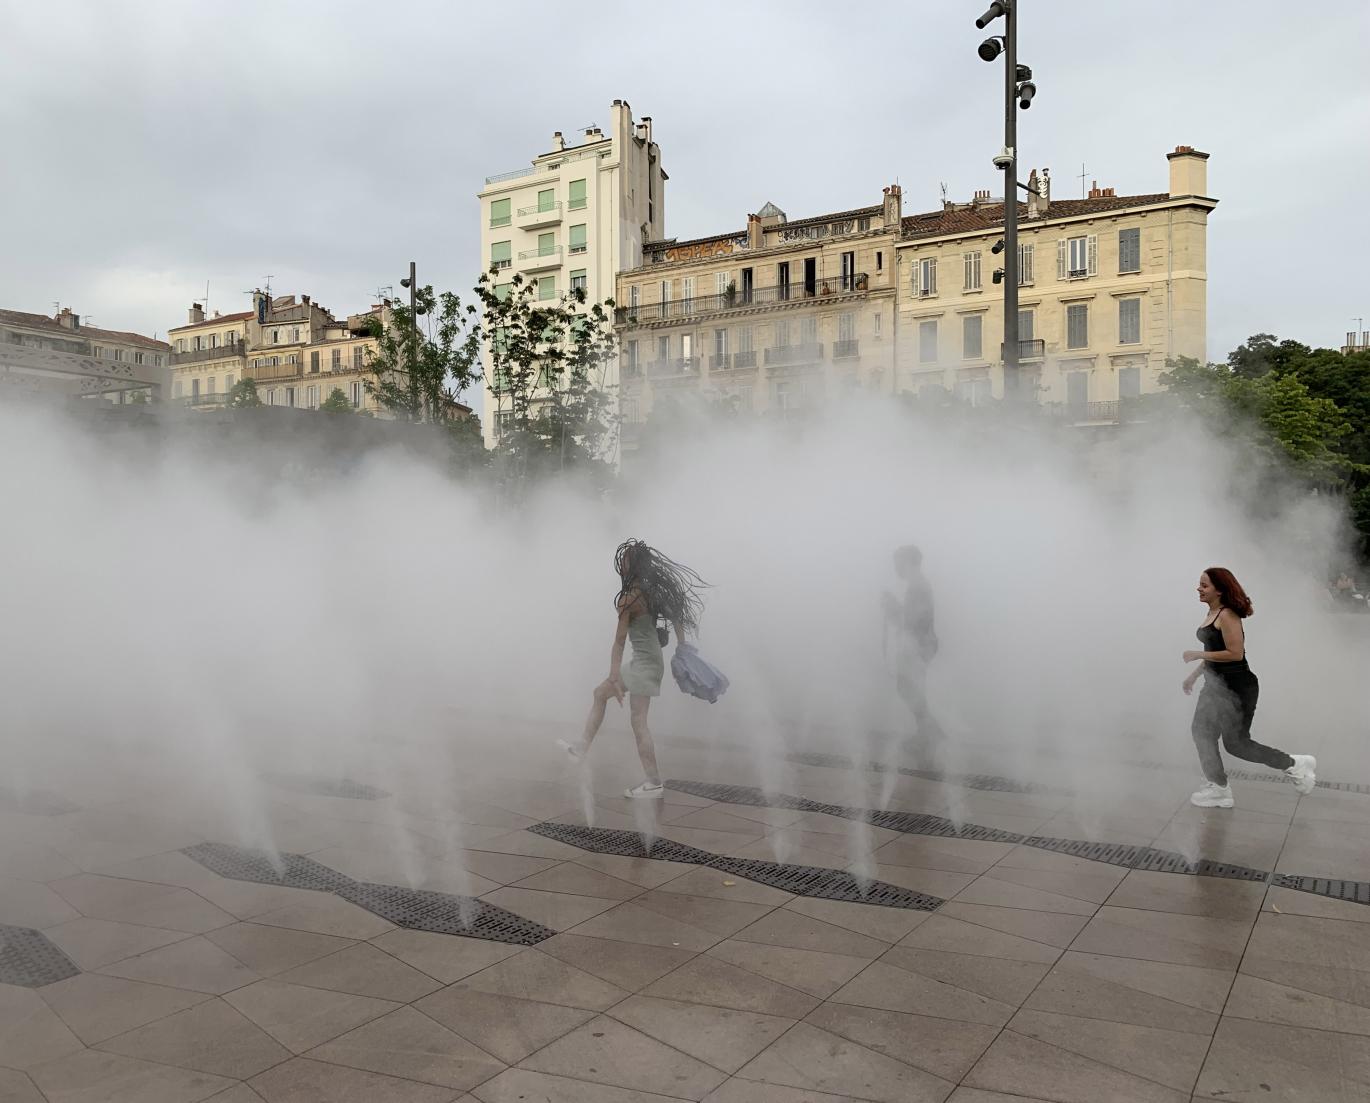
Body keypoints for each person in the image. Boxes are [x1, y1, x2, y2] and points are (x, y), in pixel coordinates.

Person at [558, 539, 708, 799]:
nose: (623, 565)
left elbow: (618, 641)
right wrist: (681, 647)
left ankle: (653, 783)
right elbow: (677, 615)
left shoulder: (628, 599)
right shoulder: (652, 592)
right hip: (648, 661)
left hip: (645, 664)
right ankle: (582, 748)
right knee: (600, 694)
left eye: (626, 561)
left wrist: (614, 676)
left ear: (632, 566)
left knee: (638, 722)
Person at [1183, 566, 1316, 808]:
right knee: (1201, 732)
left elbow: (1234, 654)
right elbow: (1214, 652)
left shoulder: (1227, 615)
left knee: (1236, 744)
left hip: (1237, 687)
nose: (1199, 588)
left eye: (1205, 585)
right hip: (1215, 686)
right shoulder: (1213, 612)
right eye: (1200, 584)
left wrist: (1196, 654)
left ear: (1220, 590)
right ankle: (1219, 788)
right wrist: (1195, 675)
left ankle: (1294, 764)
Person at [883, 544, 944, 750]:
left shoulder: (917, 586)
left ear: (908, 561)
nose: (895, 568)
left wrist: (891, 608)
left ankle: (932, 734)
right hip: (920, 644)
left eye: (897, 563)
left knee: (908, 689)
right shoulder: (917, 585)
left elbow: (912, 621)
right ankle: (927, 733)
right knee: (910, 689)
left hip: (919, 645)